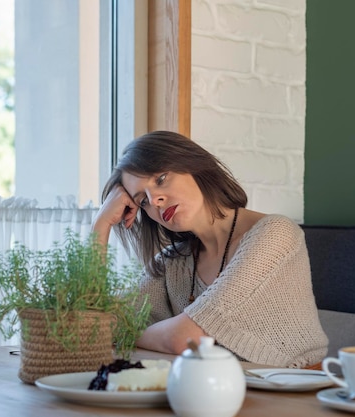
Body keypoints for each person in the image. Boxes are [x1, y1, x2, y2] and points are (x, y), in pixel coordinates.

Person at [92, 130, 328, 368]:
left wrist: (124, 333)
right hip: (219, 389)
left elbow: (185, 339)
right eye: (142, 200)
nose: (154, 201)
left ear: (193, 164)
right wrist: (100, 226)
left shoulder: (275, 233)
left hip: (297, 392)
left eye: (161, 179)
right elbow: (90, 324)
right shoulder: (172, 262)